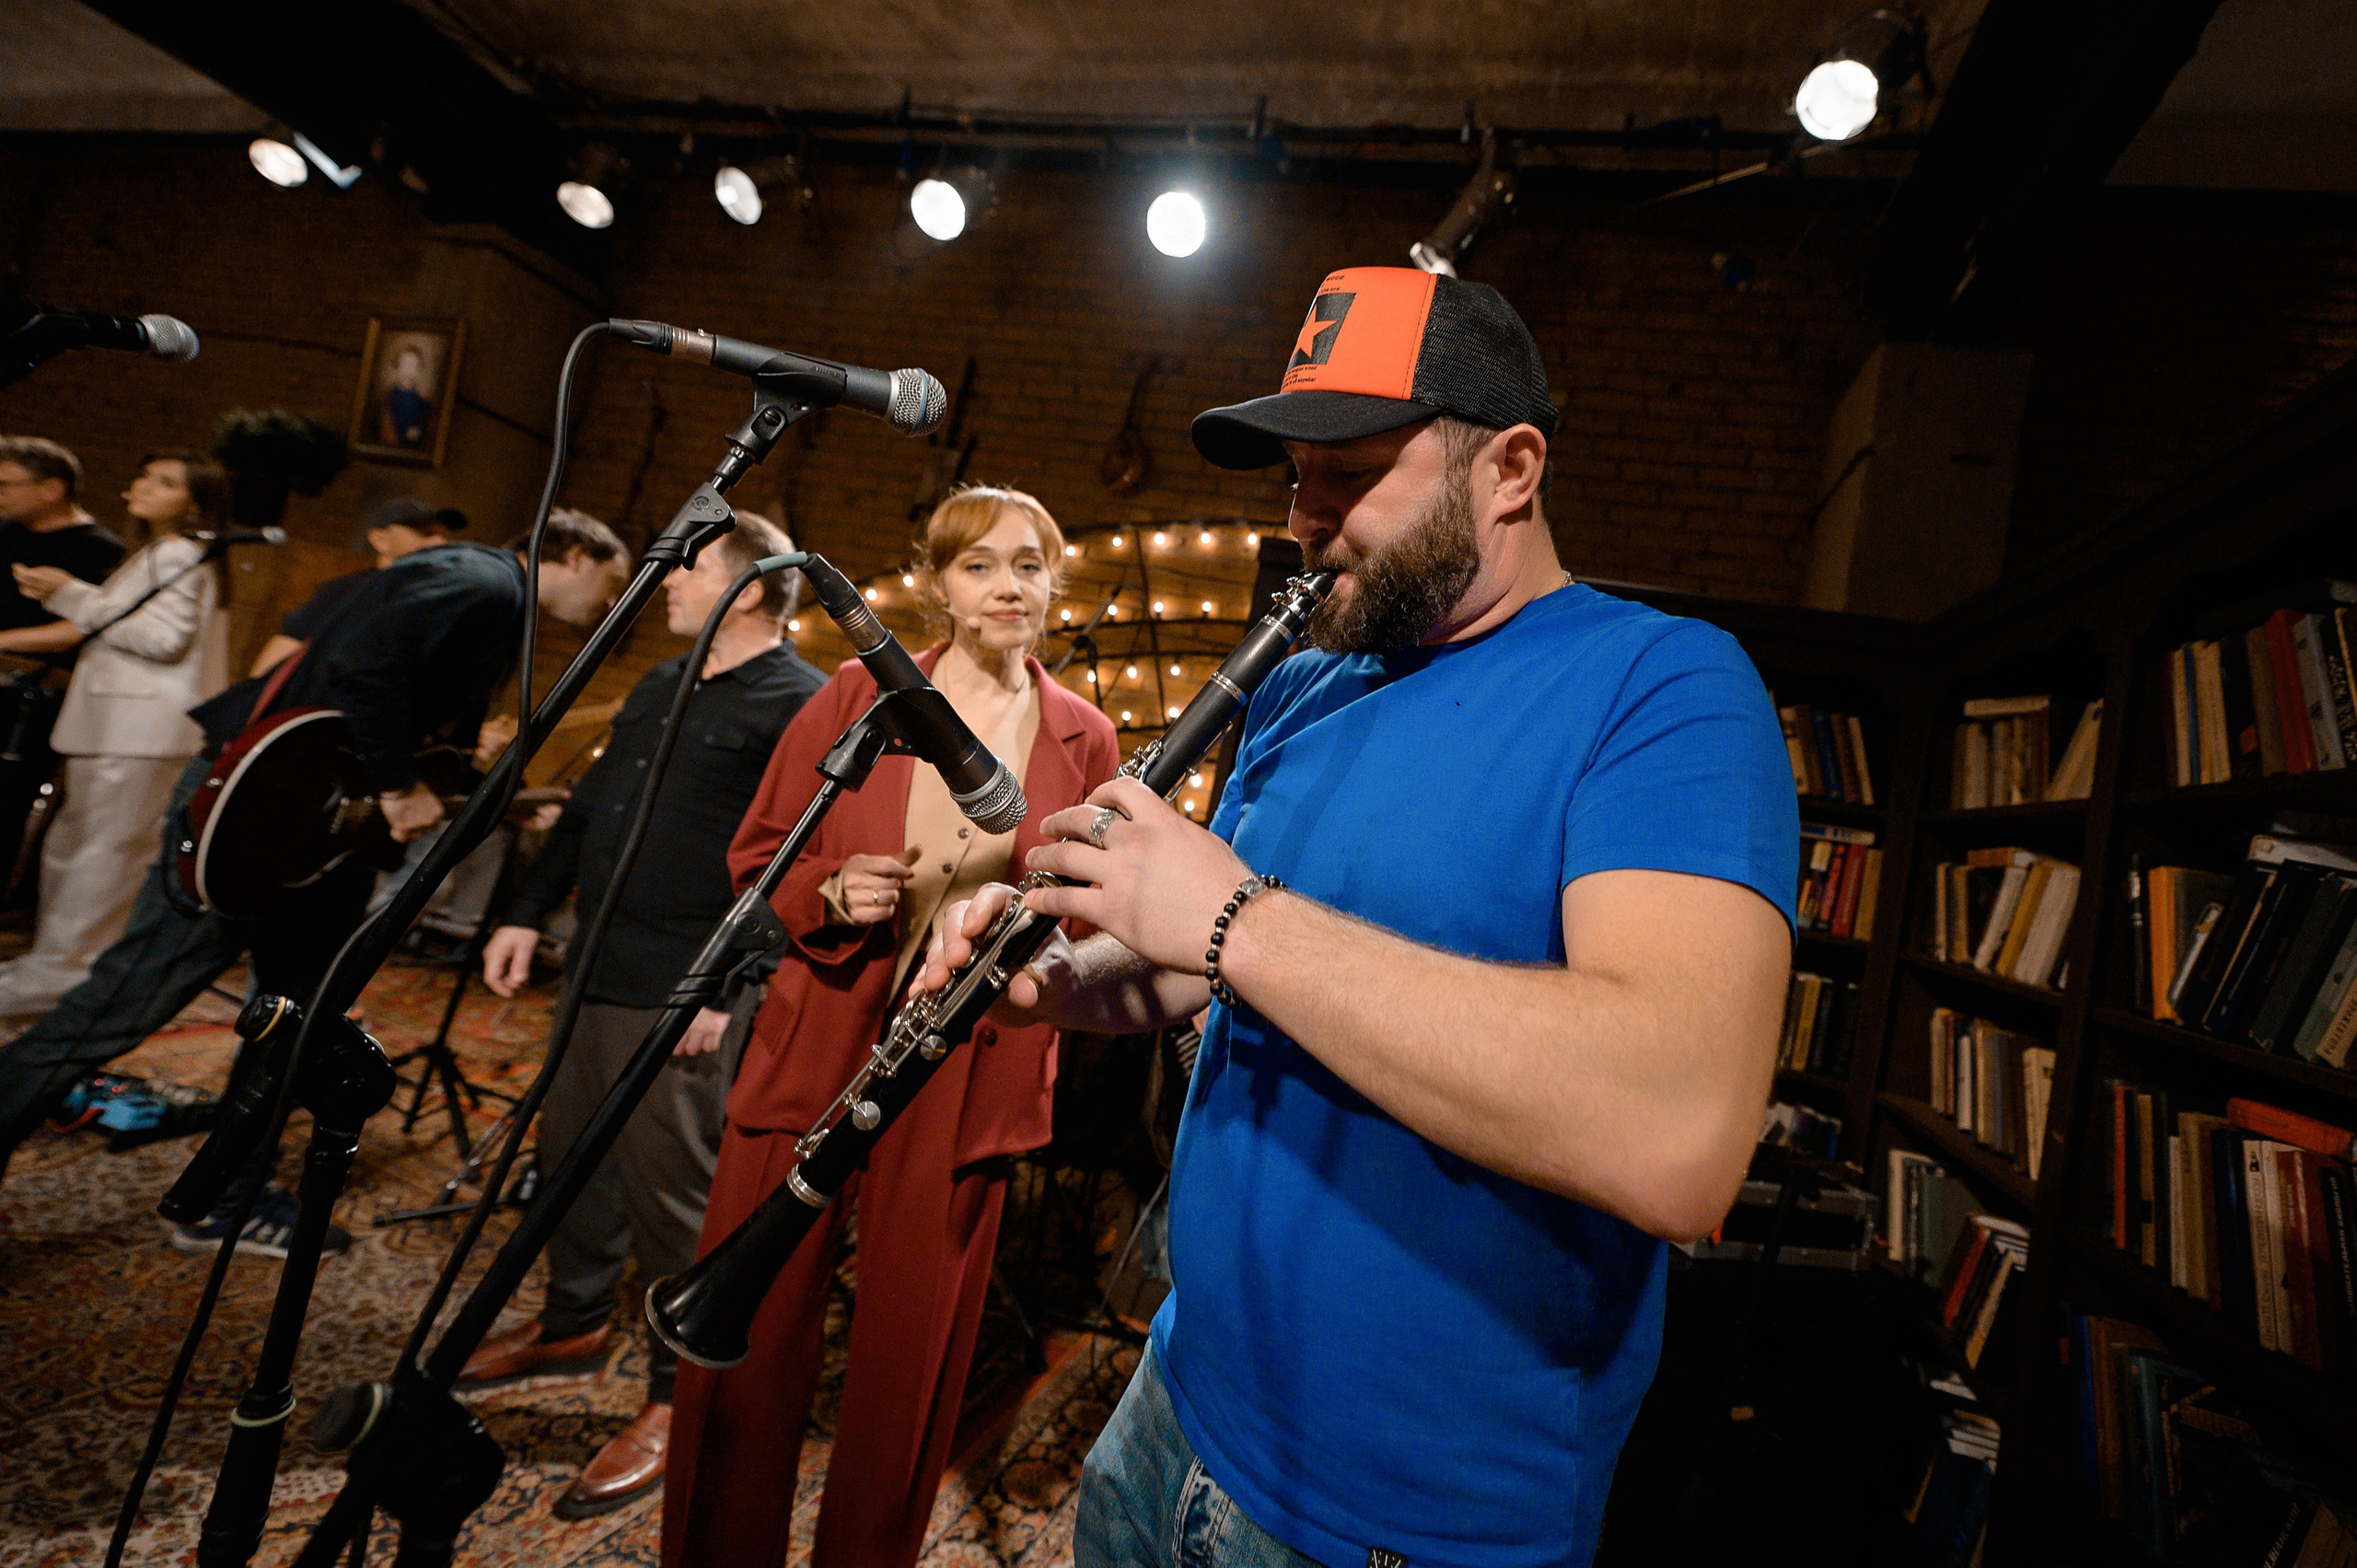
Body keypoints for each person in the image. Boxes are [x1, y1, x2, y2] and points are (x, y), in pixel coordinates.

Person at [921, 269, 1798, 1568]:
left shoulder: (1662, 686)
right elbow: (1195, 977)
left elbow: (1675, 1130)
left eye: (1352, 474)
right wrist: (1068, 967)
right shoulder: (1302, 687)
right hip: (1177, 1402)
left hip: (1406, 1522)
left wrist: (1228, 913)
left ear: (1509, 466)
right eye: (1293, 479)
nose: (1307, 520)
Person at [663, 487, 1120, 1568]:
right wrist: (826, 891)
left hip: (972, 1070)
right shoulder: (858, 692)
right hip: (818, 1038)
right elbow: (761, 851)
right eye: (979, 566)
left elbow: (1094, 910)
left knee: (909, 1362)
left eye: (1029, 565)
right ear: (936, 584)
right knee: (749, 1330)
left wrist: (1039, 928)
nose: (1008, 586)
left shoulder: (1085, 736)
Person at [0, 509, 631, 1261]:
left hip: (306, 832)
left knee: (294, 1020)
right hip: (260, 821)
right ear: (576, 552)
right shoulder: (486, 583)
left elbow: (374, 701)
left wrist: (474, 786)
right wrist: (399, 788)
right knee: (124, 1001)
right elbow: (369, 667)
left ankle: (225, 1198)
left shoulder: (465, 579)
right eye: (613, 581)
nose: (611, 601)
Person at [459, 512, 825, 1521]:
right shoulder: (664, 683)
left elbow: (793, 858)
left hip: (688, 983)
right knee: (572, 1158)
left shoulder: (799, 701)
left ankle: (675, 1394)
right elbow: (589, 809)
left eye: (691, 567)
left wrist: (726, 981)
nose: (666, 579)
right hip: (597, 962)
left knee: (674, 1193)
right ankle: (573, 1321)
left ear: (750, 590)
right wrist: (527, 912)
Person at [0, 451, 234, 1017]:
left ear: (195, 502)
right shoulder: (163, 553)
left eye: (165, 482)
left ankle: (65, 973)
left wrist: (69, 592)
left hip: (138, 727)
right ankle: (57, 963)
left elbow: (163, 640)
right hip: (123, 725)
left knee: (101, 854)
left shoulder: (180, 553)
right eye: (144, 473)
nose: (142, 485)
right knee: (78, 846)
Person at [0, 436, 129, 873]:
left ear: (52, 489)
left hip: (30, 697)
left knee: (5, 803)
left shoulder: (97, 547)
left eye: (5, 484)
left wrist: (4, 642)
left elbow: (83, 626)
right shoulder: (6, 532)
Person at [248, 496, 466, 679]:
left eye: (443, 534)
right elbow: (281, 655)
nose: (440, 543)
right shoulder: (346, 592)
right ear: (381, 539)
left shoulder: (439, 601)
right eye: (426, 533)